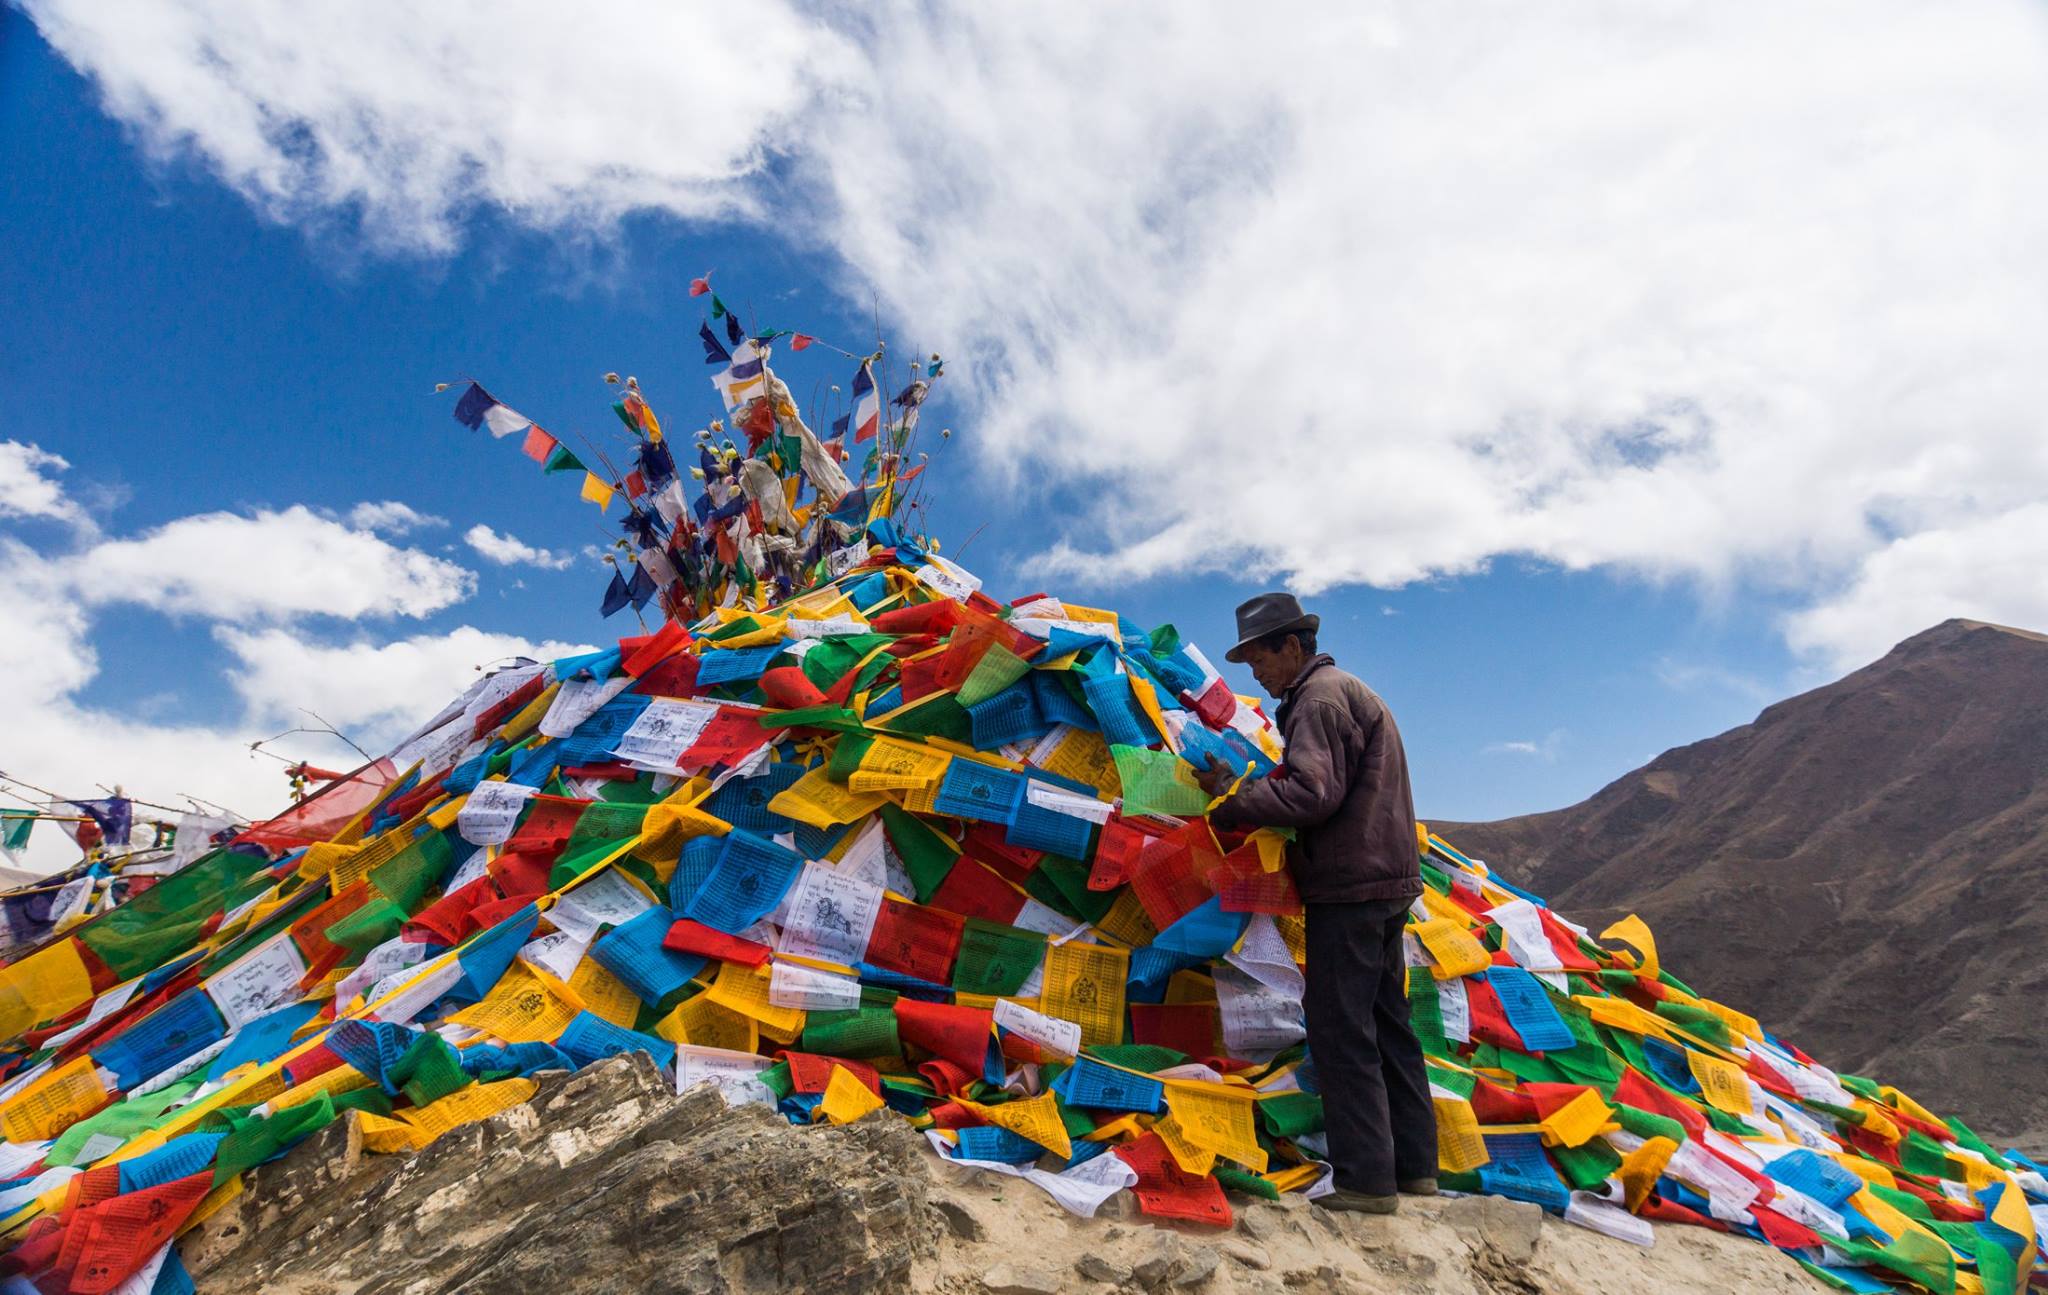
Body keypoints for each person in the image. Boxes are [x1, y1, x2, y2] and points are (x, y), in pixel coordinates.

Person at [1195, 592, 1438, 1214]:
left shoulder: (1317, 700)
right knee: (1387, 1023)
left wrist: (1233, 802)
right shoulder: (1343, 691)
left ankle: (1366, 1182)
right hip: (1385, 880)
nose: (1257, 674)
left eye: (1261, 659)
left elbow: (1312, 794)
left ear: (1292, 646)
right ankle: (1415, 1168)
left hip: (1350, 884)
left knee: (1339, 1026)